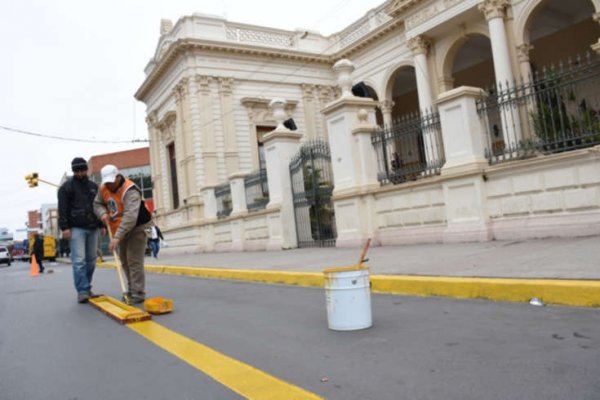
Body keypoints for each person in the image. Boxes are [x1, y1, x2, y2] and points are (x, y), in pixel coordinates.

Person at [94, 164, 152, 305]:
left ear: (119, 177)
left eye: (111, 181)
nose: (109, 185)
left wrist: (116, 237)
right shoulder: (103, 189)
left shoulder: (130, 190)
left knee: (134, 261)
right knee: (125, 261)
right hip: (118, 229)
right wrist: (102, 214)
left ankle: (138, 293)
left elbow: (130, 217)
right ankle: (132, 290)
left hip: (137, 227)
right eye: (106, 182)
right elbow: (97, 204)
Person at [58, 157, 104, 304]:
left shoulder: (93, 187)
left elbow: (99, 206)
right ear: (74, 171)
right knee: (79, 261)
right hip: (76, 228)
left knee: (91, 261)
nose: (80, 173)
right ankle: (82, 291)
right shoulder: (66, 188)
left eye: (82, 170)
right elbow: (62, 209)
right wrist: (64, 227)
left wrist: (102, 225)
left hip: (92, 227)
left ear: (86, 169)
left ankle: (87, 287)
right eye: (77, 170)